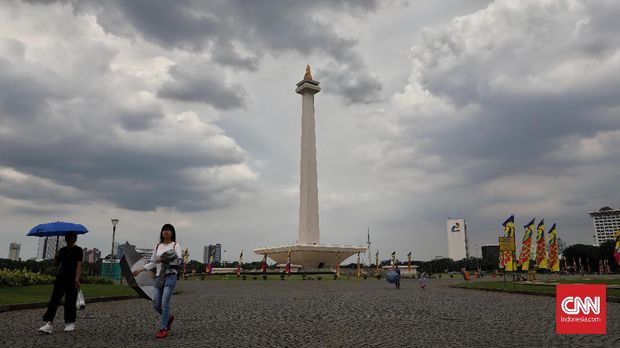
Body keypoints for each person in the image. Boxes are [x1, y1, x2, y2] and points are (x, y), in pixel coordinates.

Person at [133, 224, 182, 339]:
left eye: (169, 230)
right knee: (156, 304)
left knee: (165, 303)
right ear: (161, 232)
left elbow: (178, 260)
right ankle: (169, 318)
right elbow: (153, 262)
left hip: (170, 276)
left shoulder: (175, 245)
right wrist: (140, 270)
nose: (166, 231)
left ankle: (163, 328)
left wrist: (163, 258)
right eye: (164, 229)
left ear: (172, 233)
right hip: (159, 277)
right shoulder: (157, 246)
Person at [38, 232, 83, 334]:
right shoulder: (62, 250)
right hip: (61, 278)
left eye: (72, 237)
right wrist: (56, 256)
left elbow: (79, 265)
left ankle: (70, 322)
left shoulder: (78, 250)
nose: (70, 239)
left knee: (70, 301)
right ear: (65, 239)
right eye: (68, 237)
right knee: (54, 300)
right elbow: (56, 264)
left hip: (72, 278)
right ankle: (49, 323)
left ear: (75, 239)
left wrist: (77, 279)